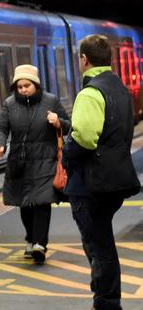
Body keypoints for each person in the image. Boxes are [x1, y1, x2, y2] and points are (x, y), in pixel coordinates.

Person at [62, 34, 141, 310]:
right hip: (115, 180)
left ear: (84, 59)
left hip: (90, 184)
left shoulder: (90, 92)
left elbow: (84, 137)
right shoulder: (119, 87)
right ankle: (106, 296)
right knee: (102, 243)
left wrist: (66, 152)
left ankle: (106, 301)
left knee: (99, 246)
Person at [0, 64, 71, 264]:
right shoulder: (10, 105)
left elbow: (70, 124)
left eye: (27, 85)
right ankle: (30, 238)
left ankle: (40, 244)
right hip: (20, 162)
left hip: (46, 160)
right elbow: (0, 127)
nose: (23, 89)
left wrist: (58, 122)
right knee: (24, 203)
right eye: (19, 87)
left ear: (36, 84)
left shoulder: (50, 101)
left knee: (42, 202)